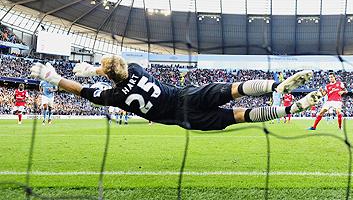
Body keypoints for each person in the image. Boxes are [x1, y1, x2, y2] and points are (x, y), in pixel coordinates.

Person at [30, 55, 322, 131]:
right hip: (186, 95)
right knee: (234, 89)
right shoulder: (135, 69)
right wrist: (95, 69)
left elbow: (80, 90)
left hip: (182, 117)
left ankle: (291, 109)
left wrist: (52, 76)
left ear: (109, 77)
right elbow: (115, 65)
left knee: (239, 116)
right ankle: (276, 87)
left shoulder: (113, 98)